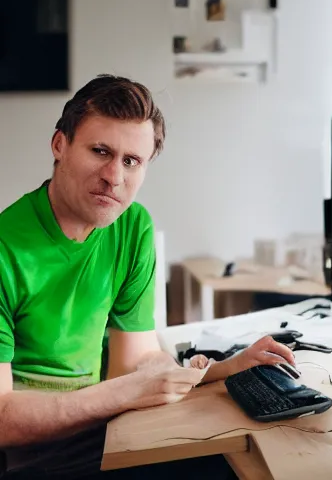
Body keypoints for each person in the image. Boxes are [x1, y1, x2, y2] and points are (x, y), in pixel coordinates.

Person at [0, 74, 295, 479]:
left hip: (103, 431)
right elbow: (2, 419)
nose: (114, 177)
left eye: (131, 161)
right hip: (31, 457)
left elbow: (133, 363)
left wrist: (215, 370)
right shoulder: (5, 248)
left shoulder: (131, 225)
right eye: (100, 151)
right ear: (59, 145)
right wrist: (120, 393)